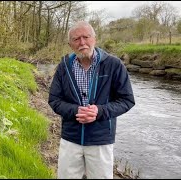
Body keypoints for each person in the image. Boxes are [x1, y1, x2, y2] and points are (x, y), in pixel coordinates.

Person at [48, 21, 135, 179]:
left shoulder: (114, 65)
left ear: (94, 38)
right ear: (70, 44)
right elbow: (54, 100)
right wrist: (75, 111)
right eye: (76, 39)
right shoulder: (64, 66)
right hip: (71, 138)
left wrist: (99, 111)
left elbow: (127, 100)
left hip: (100, 140)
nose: (82, 42)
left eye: (86, 37)